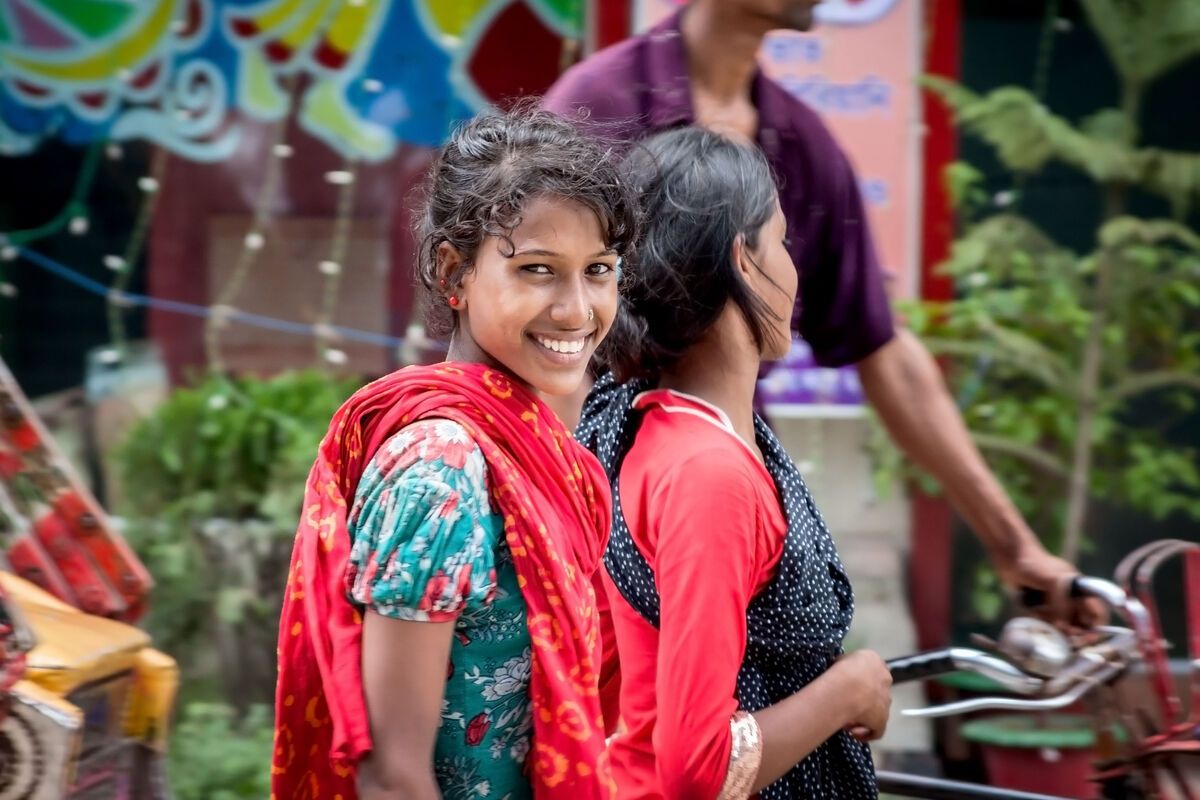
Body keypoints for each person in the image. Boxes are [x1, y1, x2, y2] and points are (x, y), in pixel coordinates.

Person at [544, 0, 1099, 626]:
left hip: (726, 506)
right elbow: (532, 331)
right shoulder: (597, 109)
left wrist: (1015, 547)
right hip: (587, 525)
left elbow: (880, 344)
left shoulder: (798, 142)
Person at [271, 108, 636, 800]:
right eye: (537, 270)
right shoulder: (438, 472)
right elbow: (391, 778)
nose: (576, 309)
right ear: (454, 273)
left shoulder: (531, 444)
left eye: (598, 270)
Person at [577, 128, 891, 800]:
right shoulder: (707, 476)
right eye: (781, 240)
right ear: (743, 260)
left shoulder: (648, 426)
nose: (794, 269)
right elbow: (698, 767)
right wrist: (847, 689)